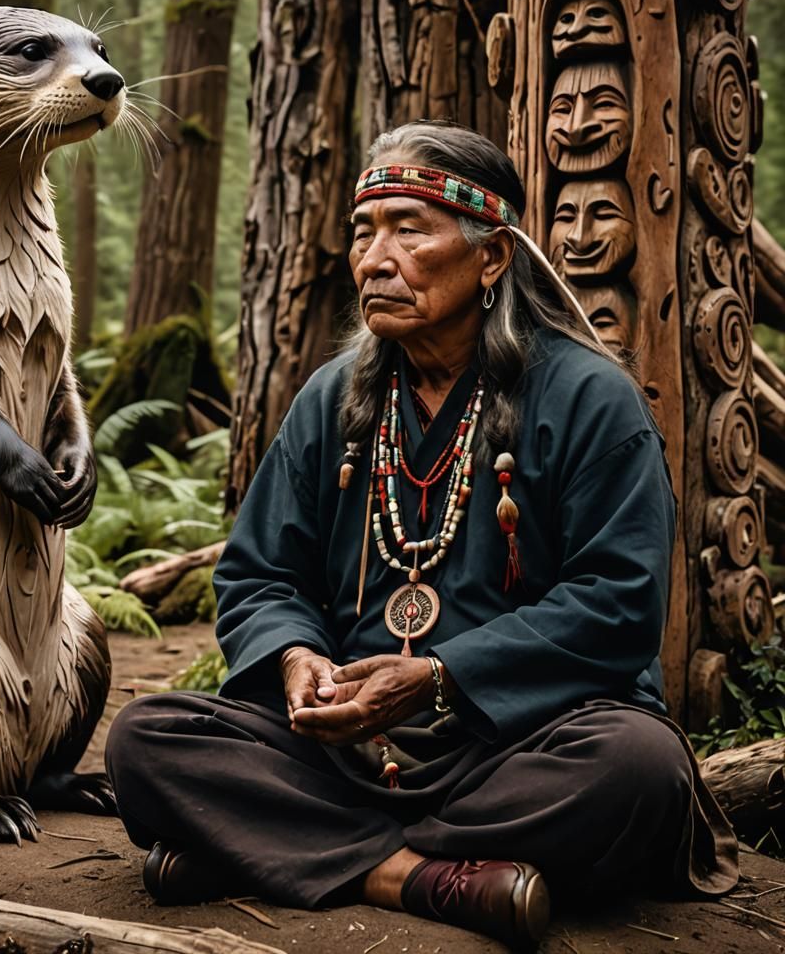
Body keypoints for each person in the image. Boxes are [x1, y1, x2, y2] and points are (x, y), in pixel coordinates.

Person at [105, 121, 737, 948]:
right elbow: (260, 575)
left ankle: (268, 850)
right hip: (347, 748)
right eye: (363, 233)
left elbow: (619, 603)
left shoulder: (591, 400)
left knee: (638, 768)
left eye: (408, 231)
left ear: (491, 257)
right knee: (146, 739)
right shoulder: (332, 400)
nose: (375, 259)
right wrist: (296, 657)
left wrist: (441, 678)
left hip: (515, 742)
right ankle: (421, 877)